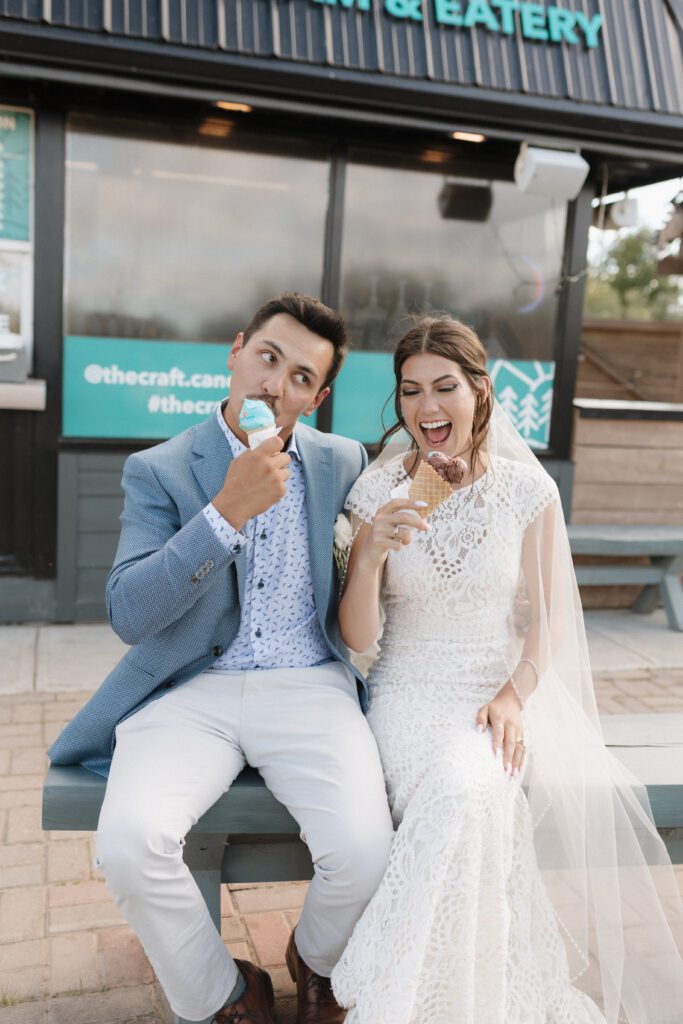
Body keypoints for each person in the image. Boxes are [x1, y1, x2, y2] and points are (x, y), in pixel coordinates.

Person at [47, 293, 395, 1024]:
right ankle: (226, 993)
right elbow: (127, 615)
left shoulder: (341, 460)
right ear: (235, 352)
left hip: (309, 684)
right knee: (130, 845)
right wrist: (223, 513)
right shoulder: (161, 469)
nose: (276, 385)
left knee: (363, 852)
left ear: (318, 394)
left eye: (301, 376)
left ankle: (316, 958)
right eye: (267, 358)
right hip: (190, 689)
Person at [330, 314, 683, 1024]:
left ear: (479, 392)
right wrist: (368, 554)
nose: (426, 407)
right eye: (409, 392)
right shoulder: (375, 491)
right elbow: (358, 637)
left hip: (492, 700)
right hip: (403, 696)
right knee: (465, 804)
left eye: (444, 387)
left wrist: (515, 694)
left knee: (472, 793)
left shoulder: (528, 492)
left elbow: (550, 620)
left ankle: (417, 1002)